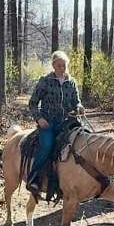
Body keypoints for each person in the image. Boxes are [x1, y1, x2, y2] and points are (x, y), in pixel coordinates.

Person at [27, 50, 85, 194]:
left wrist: (79, 108)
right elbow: (33, 103)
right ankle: (34, 177)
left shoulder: (71, 83)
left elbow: (76, 102)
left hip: (67, 123)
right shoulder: (45, 81)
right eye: (59, 65)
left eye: (64, 65)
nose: (62, 68)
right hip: (48, 122)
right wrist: (39, 119)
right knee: (46, 145)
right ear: (53, 65)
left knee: (82, 143)